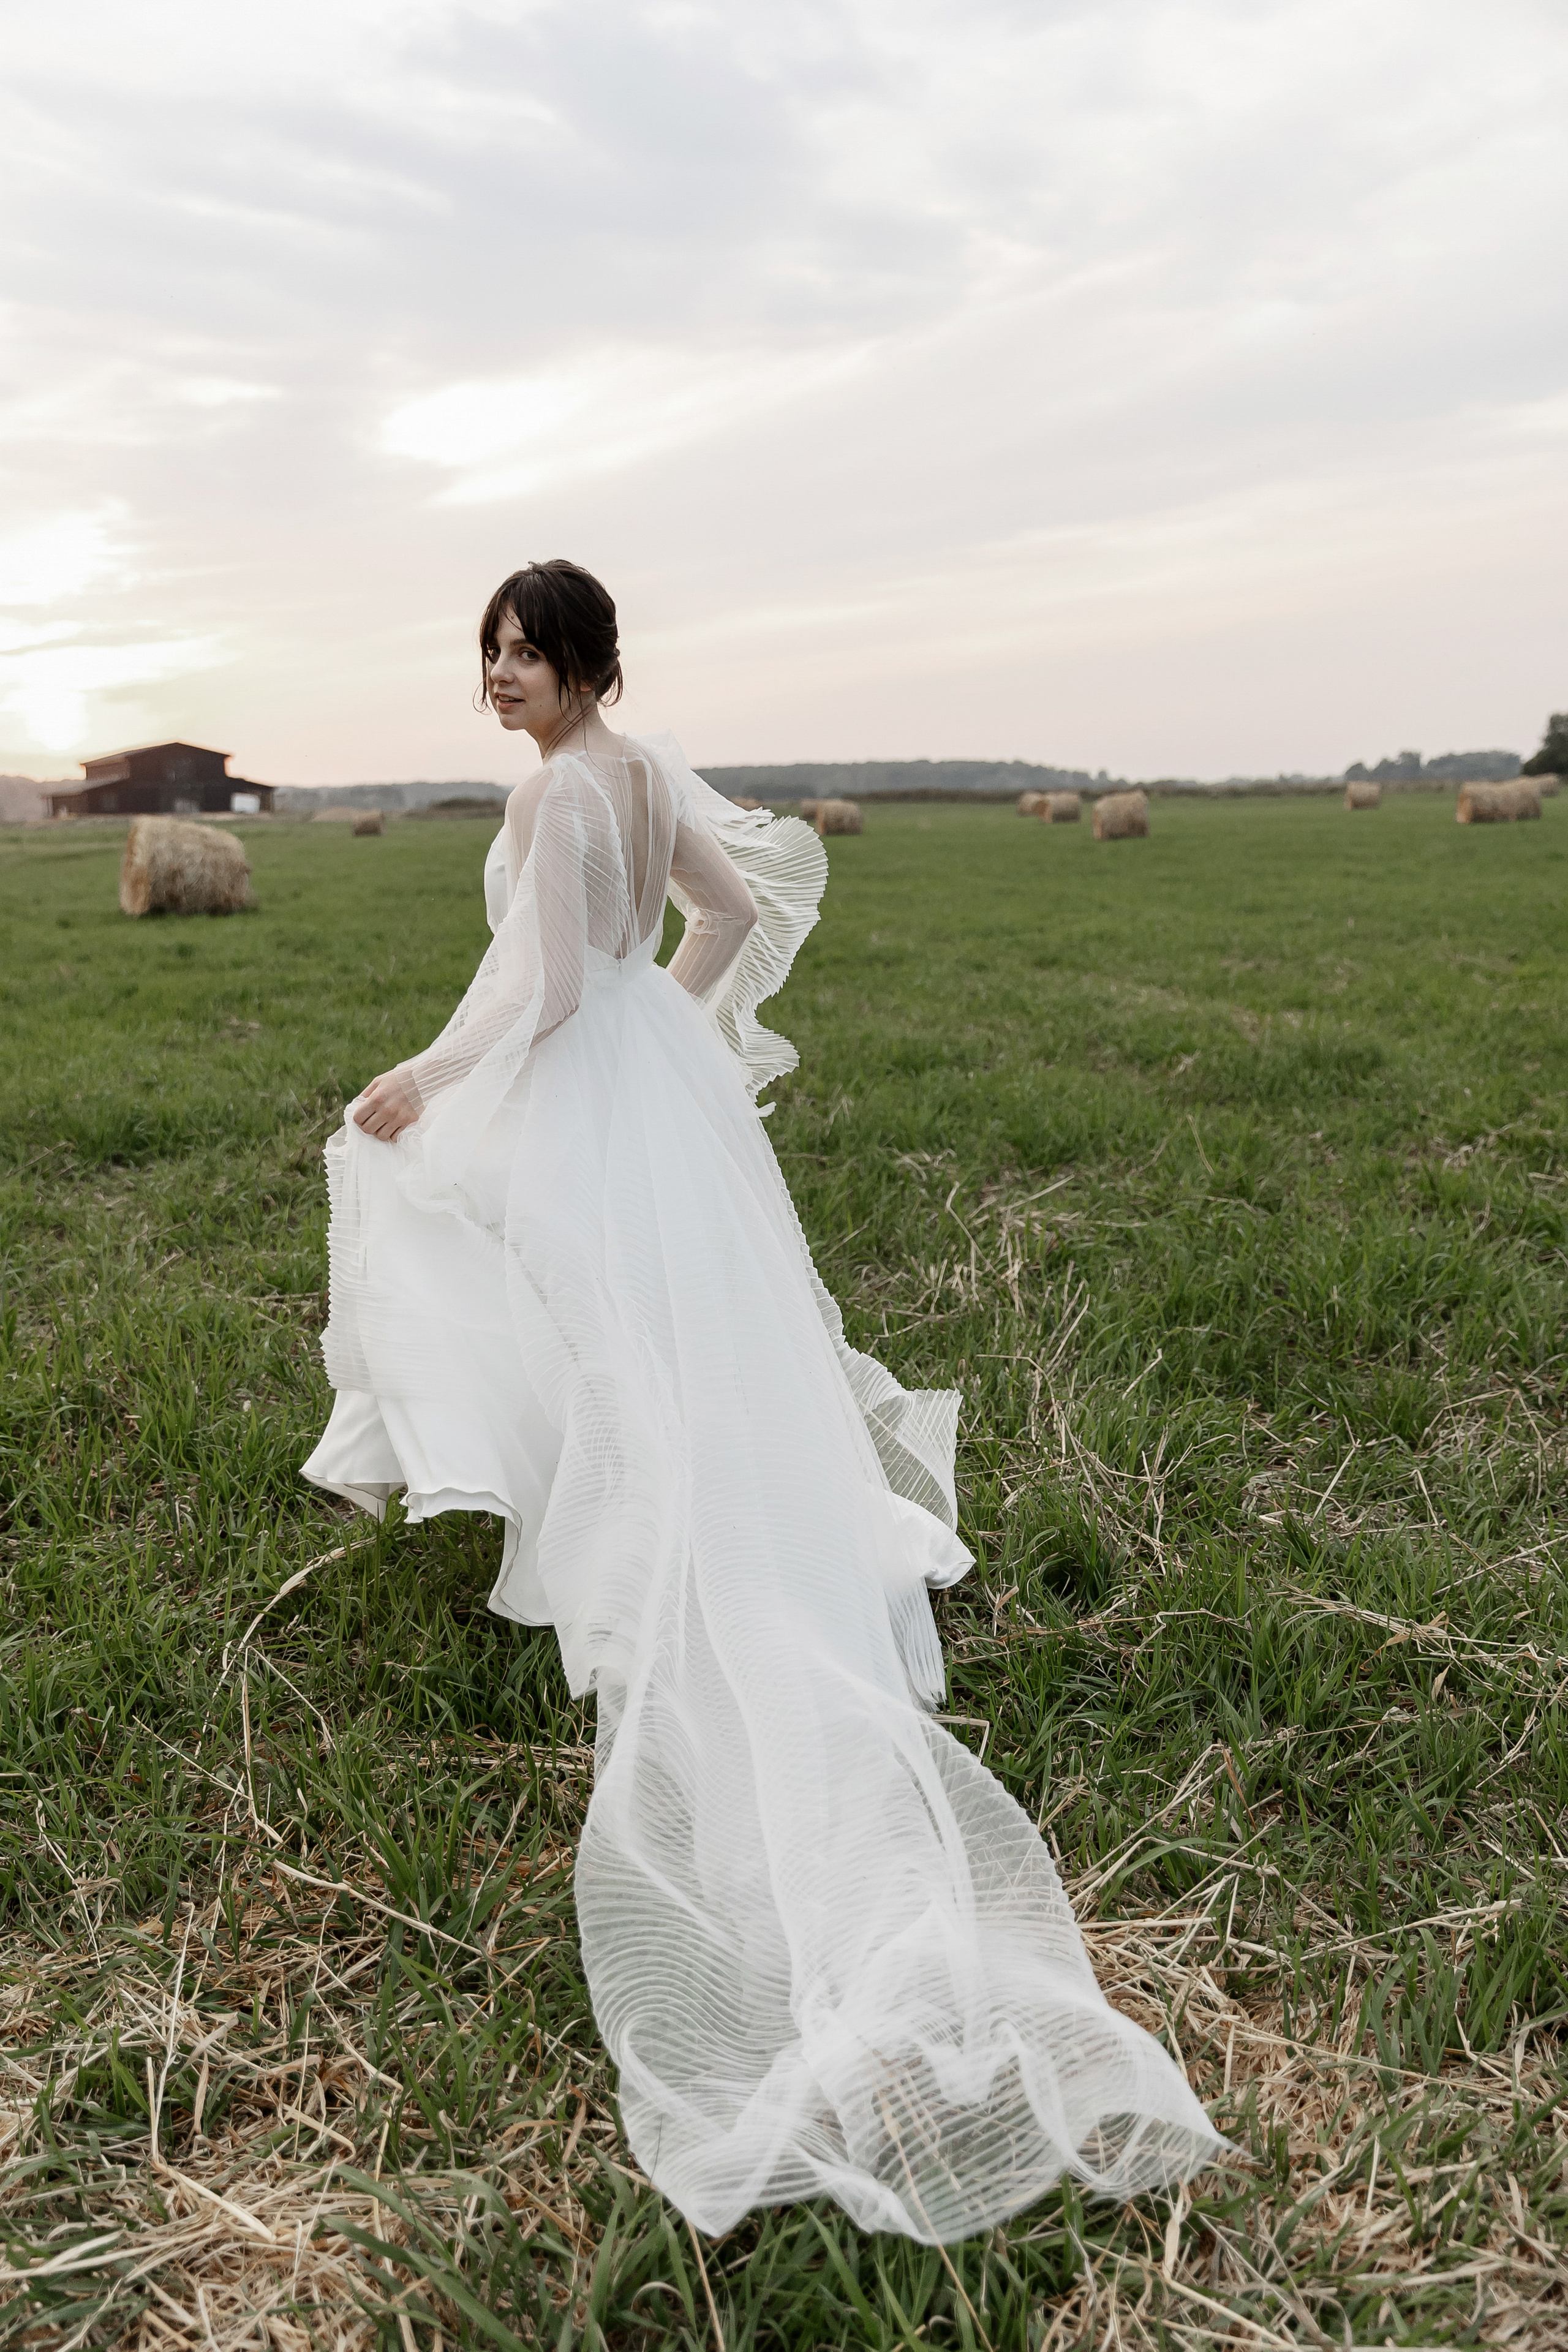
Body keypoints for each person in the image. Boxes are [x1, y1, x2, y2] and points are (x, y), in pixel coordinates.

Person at [303, 559, 1224, 2241]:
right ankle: (618, 1537)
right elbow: (718, 921)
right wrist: (695, 1054)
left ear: (585, 663)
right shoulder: (646, 773)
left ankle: (634, 1569)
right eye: (490, 652)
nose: (502, 675)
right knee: (681, 1349)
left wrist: (428, 1078)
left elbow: (556, 990)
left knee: (570, 1324)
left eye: (528, 652)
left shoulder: (576, 793)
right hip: (657, 1093)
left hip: (590, 1090)